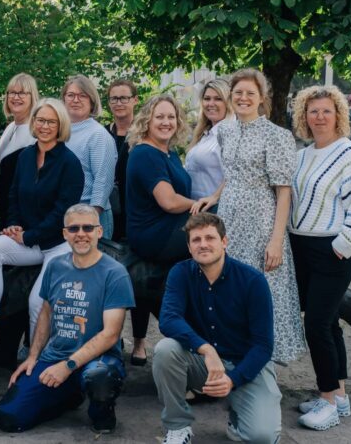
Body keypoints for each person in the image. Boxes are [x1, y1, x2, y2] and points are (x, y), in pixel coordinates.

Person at [0, 204, 135, 434]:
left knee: (99, 378)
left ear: (99, 231)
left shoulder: (115, 273)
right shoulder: (56, 266)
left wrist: (68, 366)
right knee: (7, 418)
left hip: (97, 360)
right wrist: (33, 357)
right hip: (55, 357)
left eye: (88, 227)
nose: (81, 233)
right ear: (64, 233)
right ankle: (68, 396)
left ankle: (101, 412)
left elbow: (110, 334)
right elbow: (46, 313)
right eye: (74, 228)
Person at [289, 85, 351, 431]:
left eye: (326, 111)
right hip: (302, 249)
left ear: (339, 114)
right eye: (312, 111)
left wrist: (341, 248)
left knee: (316, 326)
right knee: (327, 323)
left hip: (333, 252)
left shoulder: (350, 155)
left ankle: (327, 401)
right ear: (303, 117)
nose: (319, 117)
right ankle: (339, 395)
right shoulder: (302, 155)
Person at [153, 213, 280, 444]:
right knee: (165, 350)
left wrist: (233, 379)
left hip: (246, 363)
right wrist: (206, 350)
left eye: (210, 238)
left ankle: (238, 417)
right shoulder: (180, 273)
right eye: (196, 240)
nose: (203, 244)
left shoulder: (253, 281)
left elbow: (263, 346)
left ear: (224, 242)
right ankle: (178, 427)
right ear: (189, 247)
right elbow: (168, 319)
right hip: (203, 363)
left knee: (262, 437)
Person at [0, 98, 84, 351]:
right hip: (28, 240)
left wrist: (30, 235)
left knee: (36, 302)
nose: (44, 126)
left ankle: (37, 358)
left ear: (60, 125)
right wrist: (12, 225)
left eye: (50, 121)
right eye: (40, 120)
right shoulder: (26, 156)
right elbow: (13, 196)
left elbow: (62, 214)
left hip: (58, 244)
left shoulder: (70, 163)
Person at [215, 68, 305, 364]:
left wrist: (276, 240)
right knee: (228, 284)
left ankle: (261, 361)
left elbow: (283, 191)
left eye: (250, 93)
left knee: (261, 287)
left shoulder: (276, 135)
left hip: (261, 220)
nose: (243, 98)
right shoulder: (225, 130)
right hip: (229, 217)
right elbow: (231, 173)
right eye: (238, 92)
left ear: (262, 98)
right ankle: (231, 355)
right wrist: (214, 196)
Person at [125, 94, 193, 367]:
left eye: (171, 117)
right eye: (160, 117)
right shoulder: (145, 153)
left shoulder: (170, 153)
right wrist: (204, 204)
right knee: (216, 228)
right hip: (153, 233)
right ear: (147, 121)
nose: (166, 122)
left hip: (167, 226)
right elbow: (169, 201)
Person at [62, 75, 117, 239]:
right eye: (71, 95)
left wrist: (89, 221)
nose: (75, 100)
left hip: (91, 217)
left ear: (92, 100)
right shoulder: (60, 131)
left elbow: (104, 180)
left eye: (82, 95)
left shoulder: (98, 135)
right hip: (65, 214)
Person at [0, 73, 39, 227]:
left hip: (21, 216)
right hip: (5, 208)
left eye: (22, 93)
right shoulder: (10, 127)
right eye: (12, 92)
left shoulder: (36, 132)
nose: (16, 97)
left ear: (32, 96)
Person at [185, 79, 233, 213]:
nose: (211, 104)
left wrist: (214, 197)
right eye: (207, 98)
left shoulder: (230, 132)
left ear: (228, 103)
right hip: (198, 210)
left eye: (218, 99)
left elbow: (236, 174)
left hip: (216, 210)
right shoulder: (205, 133)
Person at [105, 79, 139, 241]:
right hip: (108, 206)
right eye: (114, 99)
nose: (119, 103)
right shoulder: (102, 134)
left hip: (136, 206)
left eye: (124, 98)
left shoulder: (144, 135)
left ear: (135, 100)